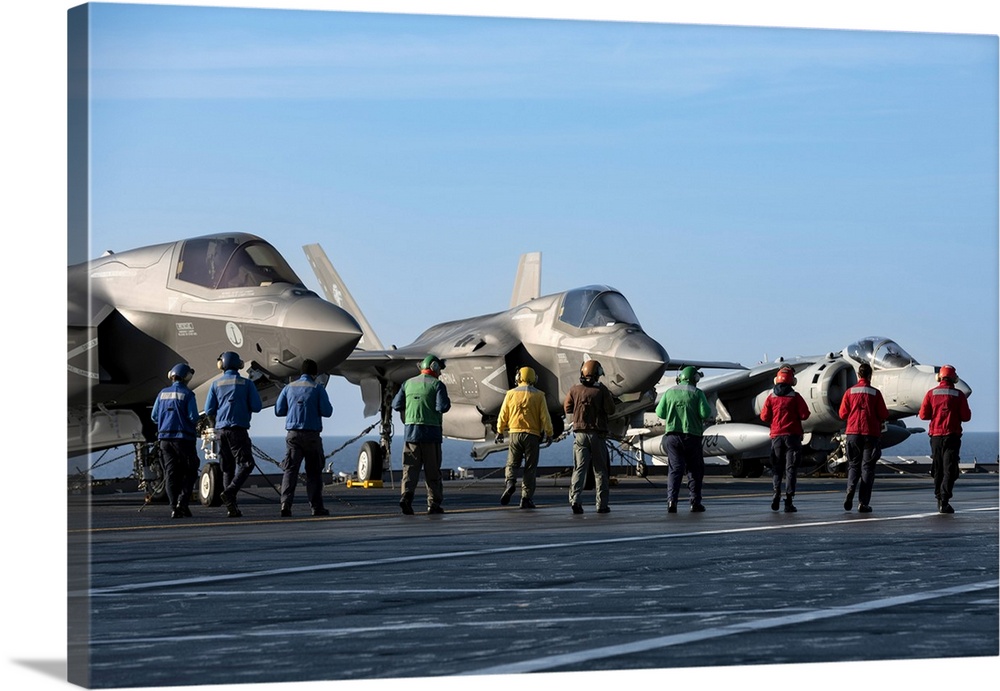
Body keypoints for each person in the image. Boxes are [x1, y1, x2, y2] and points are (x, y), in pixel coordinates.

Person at [204, 351, 263, 518]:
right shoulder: (247, 384)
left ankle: (232, 508)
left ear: (221, 365)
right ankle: (230, 493)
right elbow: (257, 406)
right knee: (246, 465)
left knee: (227, 468)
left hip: (221, 431)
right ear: (239, 365)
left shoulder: (216, 384)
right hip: (238, 430)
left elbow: (209, 410)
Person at [391, 354, 451, 515]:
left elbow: (396, 405)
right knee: (433, 472)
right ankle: (434, 504)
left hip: (411, 434)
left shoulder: (407, 384)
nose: (440, 373)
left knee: (409, 470)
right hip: (431, 434)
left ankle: (406, 498)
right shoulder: (438, 385)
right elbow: (442, 407)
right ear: (434, 367)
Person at [275, 359, 334, 517]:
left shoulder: (289, 388)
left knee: (290, 471)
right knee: (314, 473)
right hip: (312, 436)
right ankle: (316, 508)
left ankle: (285, 505)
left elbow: (279, 410)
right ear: (315, 374)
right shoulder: (317, 388)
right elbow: (327, 411)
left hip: (293, 435)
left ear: (301, 372)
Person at [654, 366, 713, 513]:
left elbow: (660, 413)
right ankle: (695, 503)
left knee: (675, 470)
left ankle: (671, 502)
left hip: (672, 438)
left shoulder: (669, 392)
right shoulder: (697, 393)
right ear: (694, 378)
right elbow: (705, 413)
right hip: (692, 437)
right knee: (695, 470)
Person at [496, 366, 554, 509]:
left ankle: (510, 483)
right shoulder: (539, 395)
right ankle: (526, 498)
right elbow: (545, 417)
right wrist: (549, 433)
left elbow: (503, 414)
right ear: (534, 378)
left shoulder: (510, 394)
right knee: (530, 468)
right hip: (532, 435)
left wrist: (499, 430)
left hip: (515, 433)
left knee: (512, 463)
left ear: (518, 378)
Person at [564, 359, 617, 514]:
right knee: (600, 471)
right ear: (596, 374)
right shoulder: (601, 390)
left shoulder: (574, 389)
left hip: (579, 434)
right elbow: (611, 410)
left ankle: (575, 500)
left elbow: (567, 406)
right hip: (597, 434)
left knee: (579, 469)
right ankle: (602, 505)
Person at [918, 364, 971, 513]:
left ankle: (939, 498)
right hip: (952, 436)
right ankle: (945, 499)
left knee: (938, 468)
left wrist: (936, 415)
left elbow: (923, 415)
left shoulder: (930, 394)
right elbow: (966, 417)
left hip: (935, 437)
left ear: (939, 377)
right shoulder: (959, 395)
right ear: (954, 378)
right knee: (950, 469)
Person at [150, 363, 201, 519]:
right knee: (191, 470)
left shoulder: (162, 394)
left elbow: (154, 417)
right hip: (183, 439)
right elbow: (193, 417)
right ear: (187, 377)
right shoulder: (188, 394)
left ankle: (174, 508)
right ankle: (182, 503)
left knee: (171, 472)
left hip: (165, 440)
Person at [838, 362, 889, 513]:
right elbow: (884, 414)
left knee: (853, 466)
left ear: (859, 375)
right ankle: (863, 503)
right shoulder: (875, 393)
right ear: (870, 376)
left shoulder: (849, 392)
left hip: (853, 433)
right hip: (870, 435)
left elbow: (842, 414)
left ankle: (850, 491)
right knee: (867, 468)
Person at [759, 365, 811, 513]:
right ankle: (788, 501)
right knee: (791, 469)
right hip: (792, 437)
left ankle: (776, 493)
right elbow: (805, 414)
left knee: (777, 468)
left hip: (776, 437)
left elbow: (764, 417)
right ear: (792, 381)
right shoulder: (795, 397)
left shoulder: (771, 397)